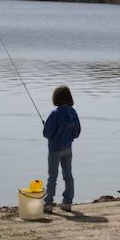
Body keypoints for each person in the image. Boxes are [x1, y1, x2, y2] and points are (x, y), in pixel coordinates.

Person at [43, 85, 81, 213]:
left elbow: (46, 133)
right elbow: (77, 132)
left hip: (54, 150)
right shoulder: (73, 112)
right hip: (68, 149)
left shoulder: (55, 114)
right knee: (68, 175)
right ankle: (67, 203)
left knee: (52, 177)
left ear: (56, 98)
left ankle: (48, 203)